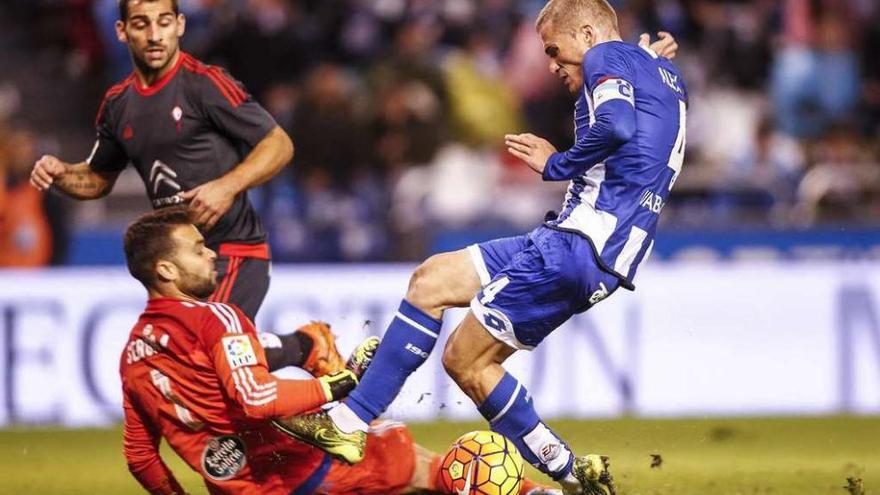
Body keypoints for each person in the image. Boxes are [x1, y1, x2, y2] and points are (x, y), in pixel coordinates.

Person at [277, 2, 686, 494]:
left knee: (466, 361)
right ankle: (351, 423)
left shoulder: (603, 57)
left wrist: (557, 163)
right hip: (578, 241)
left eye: (555, 51)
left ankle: (570, 477)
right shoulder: (659, 71)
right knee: (431, 280)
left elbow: (617, 125)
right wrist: (643, 57)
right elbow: (638, 113)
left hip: (580, 245)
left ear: (586, 32)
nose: (553, 65)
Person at [119, 207, 559, 495]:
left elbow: (141, 456)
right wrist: (341, 383)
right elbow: (255, 398)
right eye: (197, 249)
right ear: (166, 269)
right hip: (303, 472)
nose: (211, 254)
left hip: (239, 489)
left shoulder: (133, 355)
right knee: (438, 471)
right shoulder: (216, 319)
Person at [28, 0, 319, 371]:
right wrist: (61, 174)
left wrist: (227, 186)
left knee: (207, 361)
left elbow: (278, 144)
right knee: (204, 364)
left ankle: (307, 349)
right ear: (122, 31)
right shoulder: (118, 105)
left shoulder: (205, 83)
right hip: (180, 262)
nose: (154, 34)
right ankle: (305, 349)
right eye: (141, 24)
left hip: (231, 250)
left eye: (164, 22)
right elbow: (98, 178)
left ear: (179, 25)